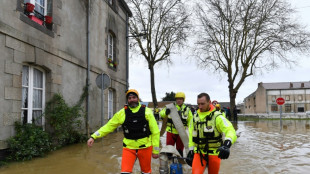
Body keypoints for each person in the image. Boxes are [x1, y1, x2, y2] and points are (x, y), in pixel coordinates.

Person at [87, 89, 160, 174]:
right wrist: (93, 136)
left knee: (146, 172)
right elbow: (108, 127)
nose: (132, 100)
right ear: (127, 100)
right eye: (129, 98)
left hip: (145, 147)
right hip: (128, 148)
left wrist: (155, 151)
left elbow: (155, 132)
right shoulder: (121, 113)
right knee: (125, 172)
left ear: (138, 98)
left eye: (134, 97)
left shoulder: (147, 111)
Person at [187, 93, 237, 174]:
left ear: (209, 102)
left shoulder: (218, 117)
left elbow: (230, 130)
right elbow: (191, 134)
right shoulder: (194, 117)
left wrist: (227, 145)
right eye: (198, 104)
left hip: (214, 153)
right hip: (199, 153)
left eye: (202, 104)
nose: (200, 107)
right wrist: (191, 150)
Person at [160, 92, 193, 157]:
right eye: (177, 99)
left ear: (183, 100)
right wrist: (165, 112)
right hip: (170, 132)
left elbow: (191, 122)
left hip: (181, 133)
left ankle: (179, 161)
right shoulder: (170, 107)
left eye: (180, 99)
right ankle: (169, 160)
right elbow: (161, 113)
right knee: (169, 150)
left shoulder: (187, 109)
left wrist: (192, 133)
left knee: (180, 150)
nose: (178, 100)